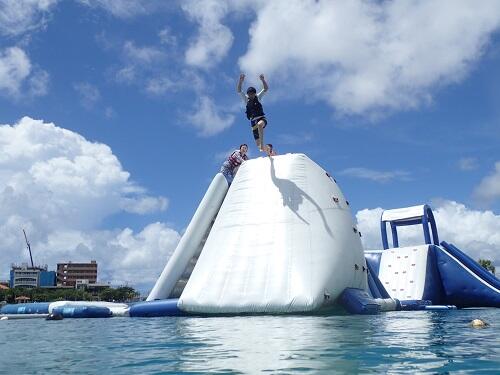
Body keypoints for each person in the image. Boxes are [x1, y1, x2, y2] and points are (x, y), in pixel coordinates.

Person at [237, 73, 269, 152]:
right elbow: (239, 90)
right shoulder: (246, 99)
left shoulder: (258, 97)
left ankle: (262, 144)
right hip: (253, 122)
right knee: (258, 146)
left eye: (252, 94)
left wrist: (263, 80)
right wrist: (240, 81)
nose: (251, 95)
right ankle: (268, 151)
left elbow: (266, 89)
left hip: (261, 119)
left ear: (255, 93)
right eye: (249, 94)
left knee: (259, 125)